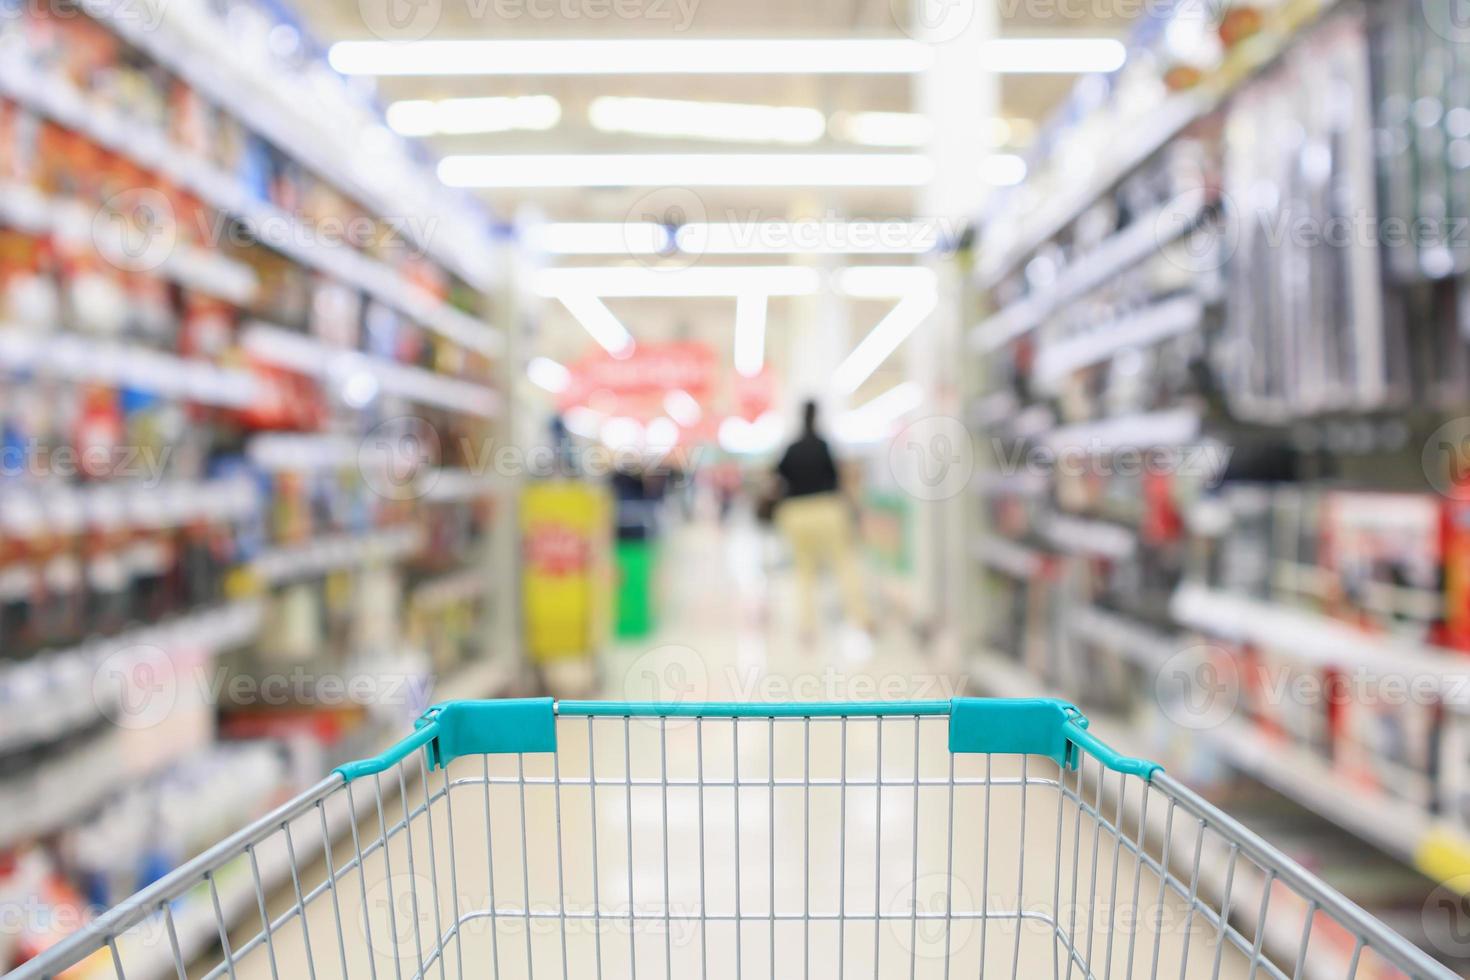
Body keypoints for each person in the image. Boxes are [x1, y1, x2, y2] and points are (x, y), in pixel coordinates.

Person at [774, 400, 870, 640]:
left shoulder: (791, 449)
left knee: (804, 570)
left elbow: (778, 479)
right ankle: (861, 618)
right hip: (827, 511)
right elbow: (838, 480)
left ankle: (807, 626)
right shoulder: (825, 446)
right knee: (844, 564)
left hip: (796, 513)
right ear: (818, 416)